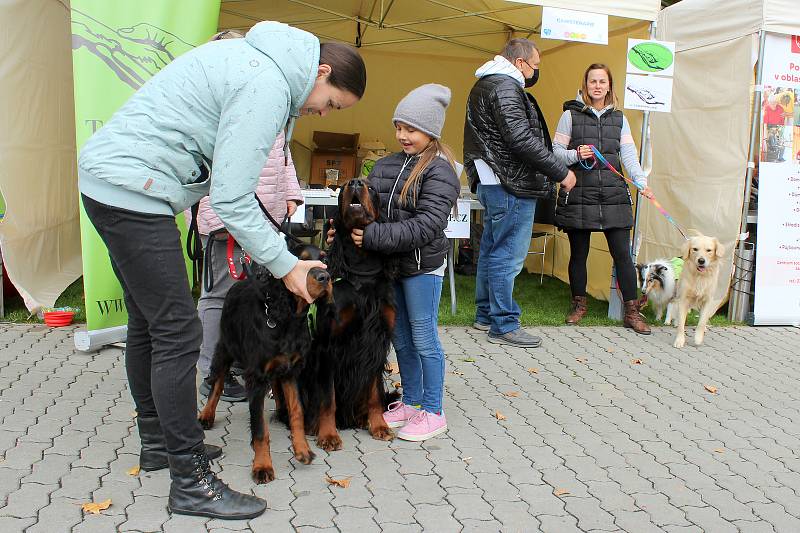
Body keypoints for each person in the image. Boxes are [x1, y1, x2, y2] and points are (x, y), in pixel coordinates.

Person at [78, 21, 366, 520]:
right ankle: (189, 482)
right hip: (131, 188)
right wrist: (287, 265)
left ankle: (157, 445)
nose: (322, 112)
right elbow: (232, 198)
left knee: (150, 323)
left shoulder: (253, 63)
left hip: (116, 181)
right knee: (178, 331)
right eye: (332, 102)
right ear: (320, 72)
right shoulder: (267, 82)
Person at [189, 31, 304, 403]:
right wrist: (219, 213)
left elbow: (283, 154)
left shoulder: (270, 98)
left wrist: (290, 193)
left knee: (259, 294)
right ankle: (211, 369)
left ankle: (246, 360)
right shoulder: (216, 101)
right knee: (219, 295)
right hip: (226, 218)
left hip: (264, 222)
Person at [350, 84, 459, 441]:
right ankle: (411, 401)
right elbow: (370, 210)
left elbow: (427, 225)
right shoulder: (385, 165)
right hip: (391, 267)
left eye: (410, 129)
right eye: (399, 127)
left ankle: (434, 410)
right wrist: (347, 230)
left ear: (430, 131)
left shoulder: (440, 171)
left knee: (424, 337)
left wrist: (373, 238)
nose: (402, 135)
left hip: (422, 267)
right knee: (402, 338)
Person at [464, 38, 576, 348]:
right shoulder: (505, 86)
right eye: (535, 66)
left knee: (491, 248)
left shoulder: (487, 84)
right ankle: (503, 324)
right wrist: (561, 171)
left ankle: (485, 315)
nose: (535, 73)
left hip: (493, 180)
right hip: (509, 182)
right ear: (520, 63)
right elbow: (522, 140)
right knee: (508, 254)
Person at [552, 63, 652, 334]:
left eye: (602, 81)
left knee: (623, 255)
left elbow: (628, 156)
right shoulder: (569, 116)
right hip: (580, 192)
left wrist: (641, 182)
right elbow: (555, 151)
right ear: (585, 85)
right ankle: (578, 305)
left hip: (613, 194)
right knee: (579, 254)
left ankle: (632, 312)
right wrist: (575, 155)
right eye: (592, 81)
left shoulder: (619, 118)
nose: (597, 86)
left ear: (609, 86)